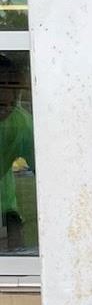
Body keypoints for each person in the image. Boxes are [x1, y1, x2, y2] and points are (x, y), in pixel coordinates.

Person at [0, 57, 34, 251]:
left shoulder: (21, 124)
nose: (5, 111)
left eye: (11, 104)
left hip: (6, 207)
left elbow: (49, 172)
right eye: (0, 104)